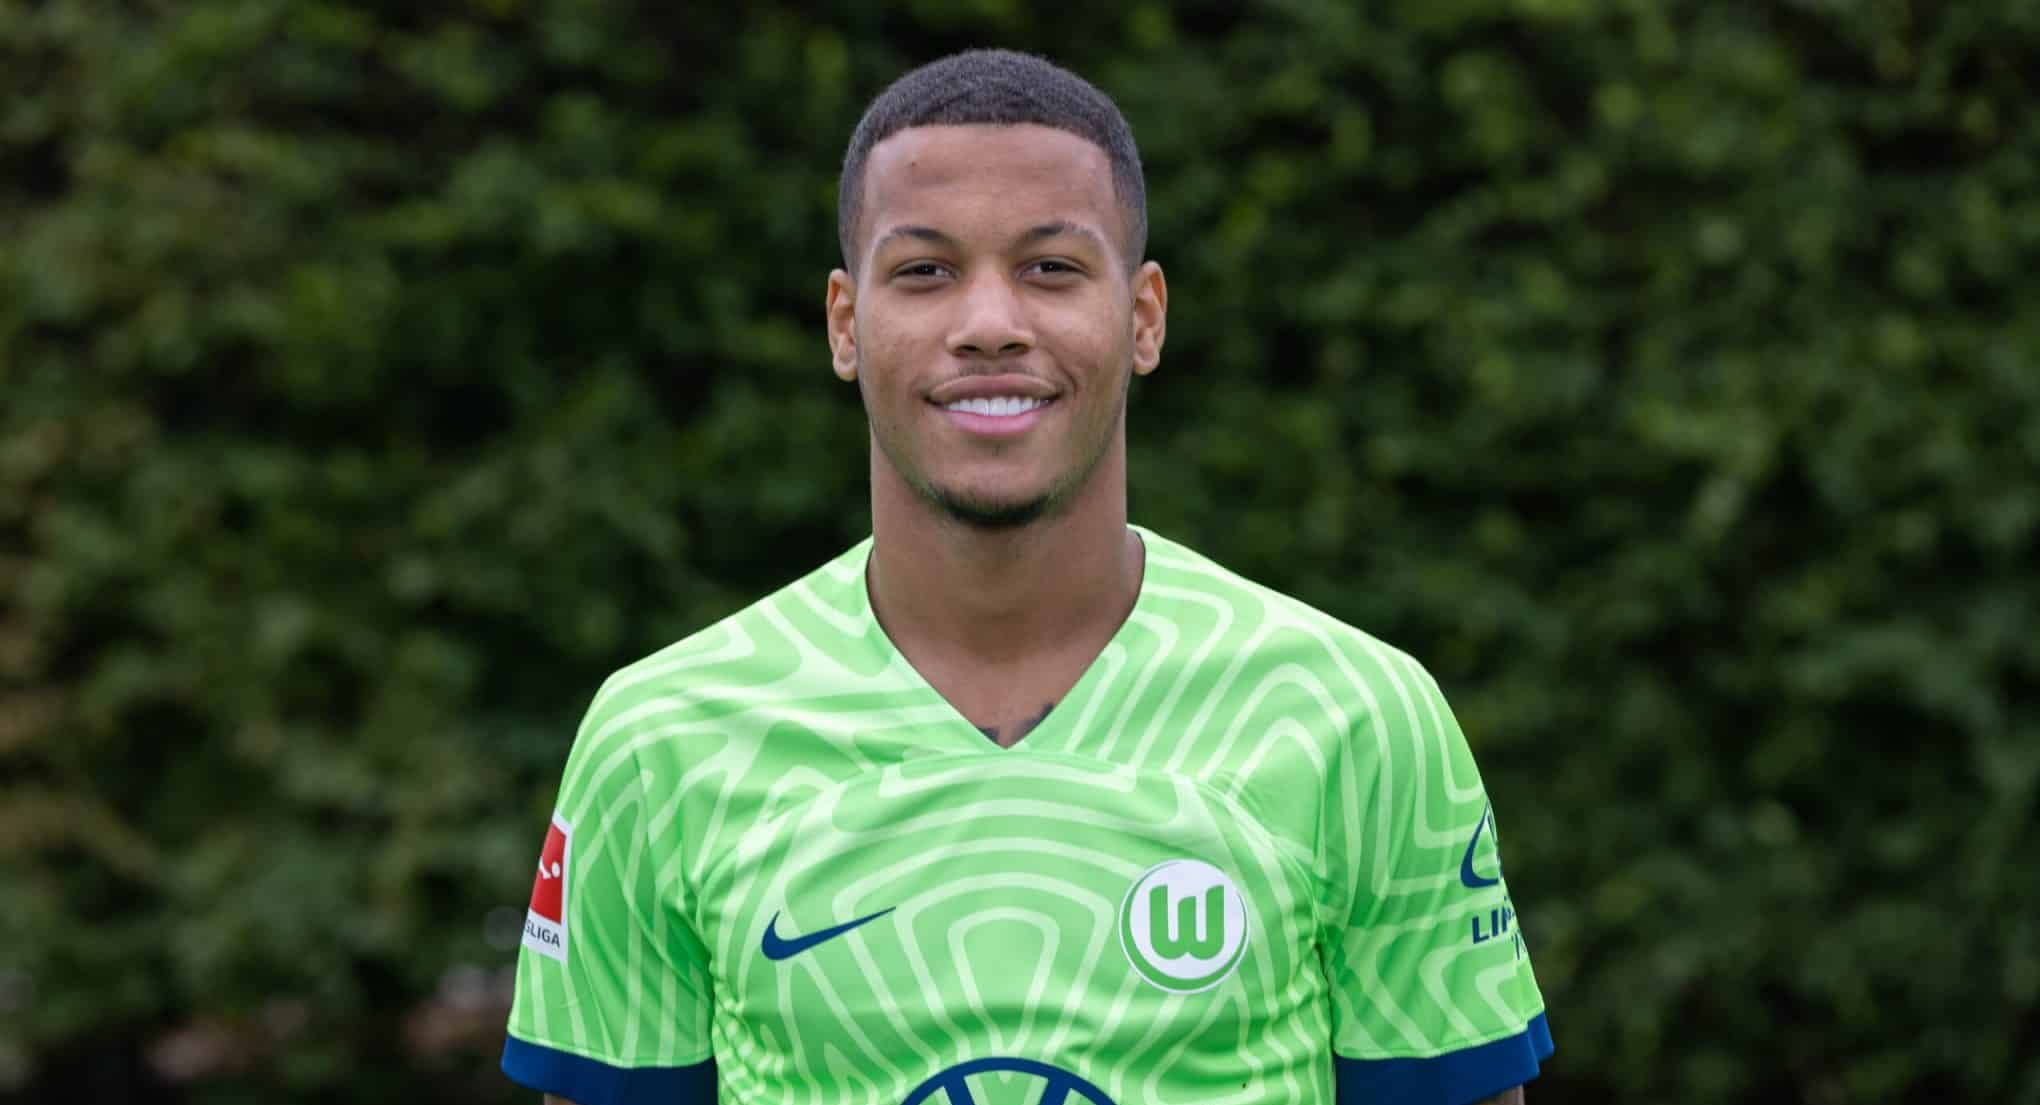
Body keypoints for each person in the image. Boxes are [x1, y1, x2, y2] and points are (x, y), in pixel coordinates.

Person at [501, 48, 1552, 1105]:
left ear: (1143, 316)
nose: (990, 325)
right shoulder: (660, 740)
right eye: (925, 271)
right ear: (845, 323)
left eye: (1050, 268)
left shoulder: (1354, 718)